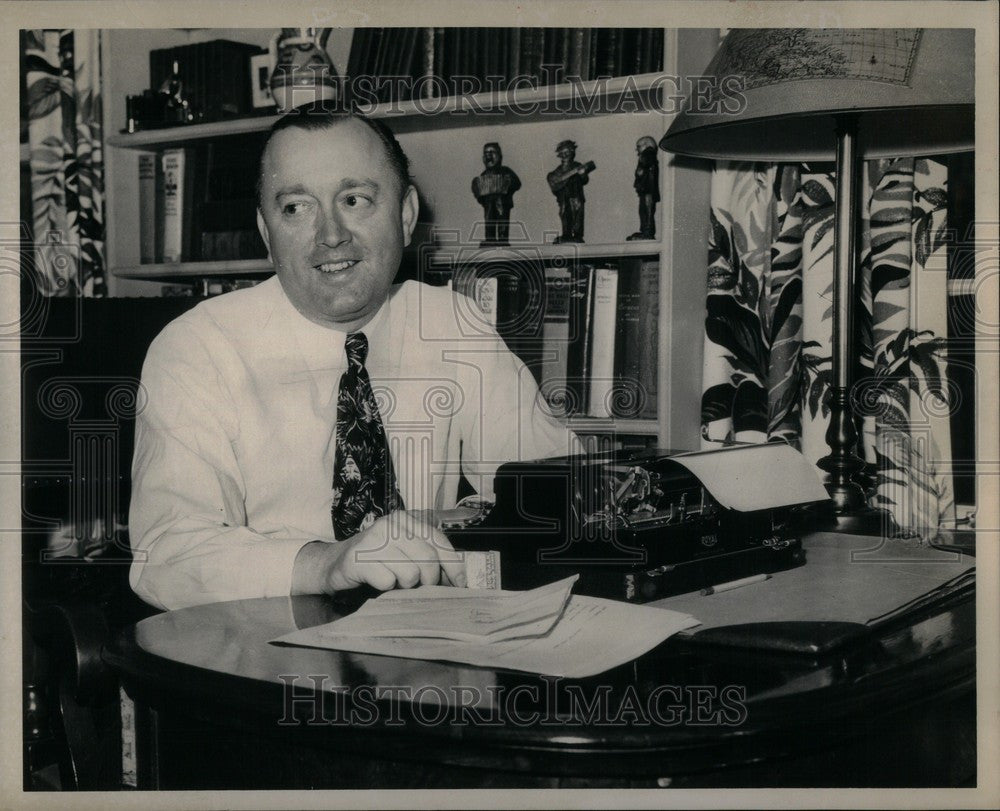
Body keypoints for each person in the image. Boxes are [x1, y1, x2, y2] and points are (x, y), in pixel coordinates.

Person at [129, 108, 578, 611]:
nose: (331, 235)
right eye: (296, 208)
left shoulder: (453, 324)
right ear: (265, 231)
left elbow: (561, 493)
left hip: (431, 657)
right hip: (266, 657)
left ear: (406, 215)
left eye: (355, 199)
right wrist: (328, 564)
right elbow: (165, 556)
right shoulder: (198, 349)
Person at [470, 142, 521, 246]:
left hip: (502, 201)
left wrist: (507, 183)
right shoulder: (483, 175)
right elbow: (479, 192)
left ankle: (503, 239)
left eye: (492, 152)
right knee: (489, 220)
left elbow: (517, 183)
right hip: (488, 202)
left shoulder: (505, 171)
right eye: (486, 153)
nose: (488, 155)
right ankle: (490, 239)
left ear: (500, 156)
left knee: (502, 219)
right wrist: (478, 192)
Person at [546, 140, 595, 244]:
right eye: (563, 153)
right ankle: (566, 234)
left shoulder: (577, 166)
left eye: (568, 152)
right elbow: (554, 181)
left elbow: (584, 180)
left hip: (576, 195)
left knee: (577, 215)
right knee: (564, 214)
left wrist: (582, 174)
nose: (565, 155)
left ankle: (577, 235)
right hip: (564, 197)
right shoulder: (558, 170)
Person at [627, 136, 659, 241]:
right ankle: (646, 231)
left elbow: (643, 167)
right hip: (646, 190)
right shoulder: (648, 155)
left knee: (646, 211)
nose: (637, 150)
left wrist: (639, 171)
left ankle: (647, 232)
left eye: (638, 146)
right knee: (644, 211)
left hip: (648, 190)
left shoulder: (648, 154)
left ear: (646, 144)